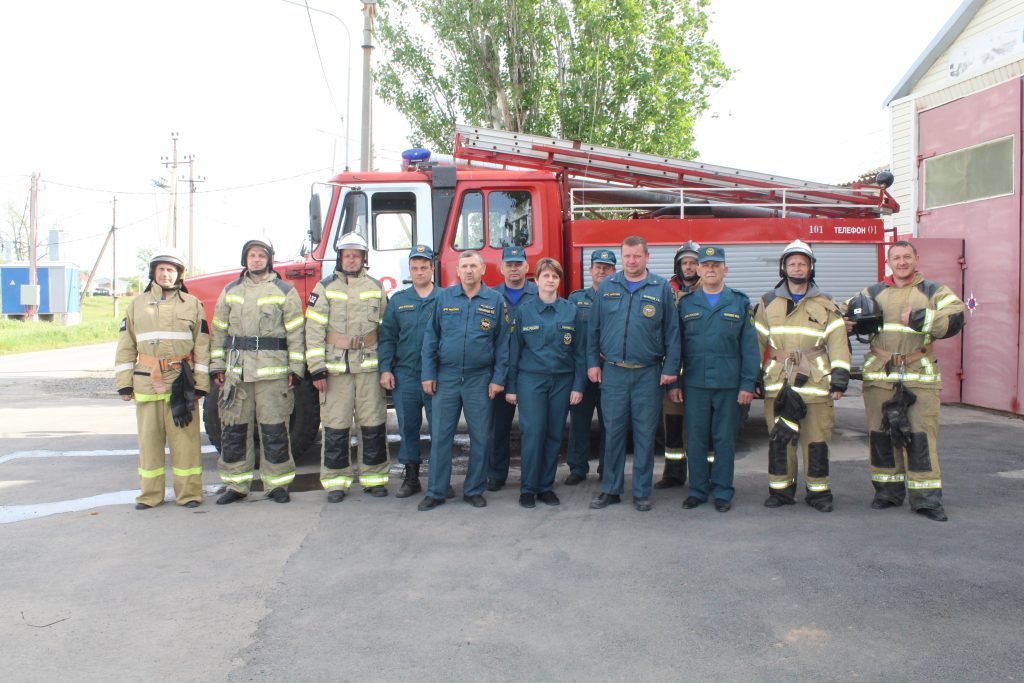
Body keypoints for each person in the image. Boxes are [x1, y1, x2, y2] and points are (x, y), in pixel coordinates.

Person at [851, 240, 965, 522]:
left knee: (920, 436)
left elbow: (956, 317)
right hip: (880, 376)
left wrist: (921, 318)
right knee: (880, 436)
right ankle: (887, 493)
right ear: (887, 262)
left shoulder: (934, 291)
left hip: (919, 375)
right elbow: (845, 312)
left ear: (917, 259)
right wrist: (849, 321)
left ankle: (926, 500)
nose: (901, 262)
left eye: (906, 257)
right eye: (896, 258)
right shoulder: (872, 292)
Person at [753, 240, 850, 512]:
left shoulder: (826, 303)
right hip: (778, 382)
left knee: (816, 441)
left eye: (803, 263)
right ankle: (780, 492)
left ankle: (818, 493)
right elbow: (756, 342)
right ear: (784, 268)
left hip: (816, 384)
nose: (797, 267)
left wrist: (840, 376)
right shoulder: (767, 302)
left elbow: (839, 342)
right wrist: (753, 376)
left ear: (811, 267)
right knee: (780, 440)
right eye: (792, 263)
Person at [587, 236, 680, 512]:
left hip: (648, 374)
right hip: (614, 373)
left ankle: (641, 492)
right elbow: (593, 329)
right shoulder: (608, 286)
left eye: (637, 256)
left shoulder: (661, 287)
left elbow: (672, 333)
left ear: (647, 257)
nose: (631, 261)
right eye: (627, 256)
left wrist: (670, 369)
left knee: (644, 434)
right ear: (622, 257)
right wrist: (593, 363)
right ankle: (611, 489)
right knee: (613, 432)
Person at [210, 239, 305, 505]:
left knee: (275, 430)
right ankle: (236, 484)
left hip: (272, 373)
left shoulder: (285, 291)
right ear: (245, 259)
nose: (256, 260)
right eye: (252, 255)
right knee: (234, 430)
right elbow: (218, 331)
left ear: (269, 260)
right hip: (237, 374)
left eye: (261, 255)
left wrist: (296, 368)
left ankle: (276, 484)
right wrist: (216, 365)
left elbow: (296, 332)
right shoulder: (230, 291)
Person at [115, 247, 210, 510]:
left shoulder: (192, 305)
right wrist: (124, 382)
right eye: (161, 270)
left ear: (179, 275)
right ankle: (150, 495)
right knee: (149, 442)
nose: (166, 275)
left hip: (181, 383)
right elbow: (126, 345)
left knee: (186, 443)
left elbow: (202, 347)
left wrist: (201, 385)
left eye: (171, 270)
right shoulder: (137, 304)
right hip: (147, 382)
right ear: (153, 273)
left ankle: (189, 494)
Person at [418, 250, 509, 511]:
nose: (469, 271)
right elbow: (431, 338)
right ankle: (436, 491)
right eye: (464, 266)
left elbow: (503, 344)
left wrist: (498, 378)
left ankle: (474, 489)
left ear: (483, 270)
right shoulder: (444, 297)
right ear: (458, 271)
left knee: (481, 437)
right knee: (441, 436)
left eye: (473, 266)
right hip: (446, 377)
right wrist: (428, 373)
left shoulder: (495, 300)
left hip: (479, 379)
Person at [674, 246, 760, 513]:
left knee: (724, 440)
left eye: (716, 265)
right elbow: (677, 347)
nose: (710, 269)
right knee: (696, 439)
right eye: (706, 265)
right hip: (695, 384)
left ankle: (723, 491)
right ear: (698, 270)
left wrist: (748, 384)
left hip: (728, 385)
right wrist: (675, 383)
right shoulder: (686, 304)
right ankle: (698, 490)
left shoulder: (739, 302)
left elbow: (749, 348)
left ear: (725, 270)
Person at [305, 232, 389, 502]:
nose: (351, 259)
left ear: (364, 258)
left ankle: (374, 478)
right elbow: (314, 330)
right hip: (335, 370)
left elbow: (386, 330)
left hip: (369, 369)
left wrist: (387, 366)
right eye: (346, 255)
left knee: (373, 424)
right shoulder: (325, 287)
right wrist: (316, 368)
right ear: (340, 258)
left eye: (356, 255)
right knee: (335, 426)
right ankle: (336, 482)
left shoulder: (376, 287)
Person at [506, 258, 585, 508]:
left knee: (554, 434)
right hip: (532, 381)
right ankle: (528, 488)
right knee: (533, 433)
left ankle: (545, 487)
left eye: (555, 276)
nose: (550, 280)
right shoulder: (525, 311)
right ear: (536, 280)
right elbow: (514, 351)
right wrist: (511, 387)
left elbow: (580, 352)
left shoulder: (571, 311)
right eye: (546, 276)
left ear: (559, 281)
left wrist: (578, 386)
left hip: (562, 381)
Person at [378, 244, 439, 498]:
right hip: (406, 375)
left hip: (437, 376)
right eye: (415, 268)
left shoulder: (445, 299)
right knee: (408, 428)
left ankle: (439, 478)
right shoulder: (399, 301)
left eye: (424, 267)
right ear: (410, 271)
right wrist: (385, 369)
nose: (419, 271)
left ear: (432, 269)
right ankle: (411, 478)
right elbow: (388, 338)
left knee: (440, 429)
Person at [487, 246, 538, 492]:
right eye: (510, 264)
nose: (514, 268)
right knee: (498, 428)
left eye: (519, 263)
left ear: (527, 267)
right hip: (501, 372)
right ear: (502, 267)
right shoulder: (491, 296)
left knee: (532, 428)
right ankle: (496, 475)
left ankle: (531, 476)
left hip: (531, 371)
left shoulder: (539, 293)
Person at [564, 249, 616, 485]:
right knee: (579, 422)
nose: (602, 270)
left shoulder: (620, 296)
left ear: (614, 271)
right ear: (590, 270)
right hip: (583, 370)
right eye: (598, 266)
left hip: (611, 371)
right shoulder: (576, 299)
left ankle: (608, 469)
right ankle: (577, 468)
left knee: (611, 423)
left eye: (606, 267)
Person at [656, 240, 704, 490]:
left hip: (701, 374)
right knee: (672, 426)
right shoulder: (666, 292)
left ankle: (702, 478)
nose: (688, 267)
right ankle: (673, 475)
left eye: (693, 262)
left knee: (699, 428)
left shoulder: (711, 291)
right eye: (684, 263)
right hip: (674, 372)